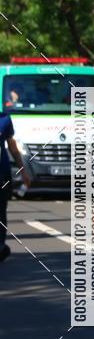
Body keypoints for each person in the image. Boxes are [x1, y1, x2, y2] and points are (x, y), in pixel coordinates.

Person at [0, 111, 30, 262]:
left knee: (1, 211)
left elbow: (12, 146)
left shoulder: (5, 119)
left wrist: (23, 171)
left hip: (3, 174)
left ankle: (0, 245)